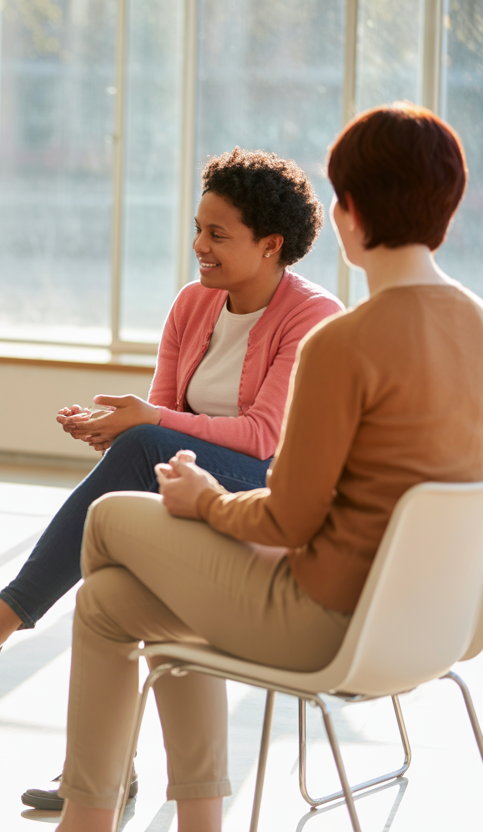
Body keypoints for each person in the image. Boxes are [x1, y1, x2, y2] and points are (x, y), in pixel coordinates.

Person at [0, 150, 342, 808]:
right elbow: (163, 414)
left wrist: (146, 425)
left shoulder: (311, 316)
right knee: (118, 566)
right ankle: (101, 771)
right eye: (197, 227)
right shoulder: (193, 304)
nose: (198, 246)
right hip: (181, 476)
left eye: (217, 234)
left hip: (262, 489)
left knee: (143, 454)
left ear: (271, 245)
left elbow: (266, 436)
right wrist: (119, 426)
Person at [56, 103, 475, 832]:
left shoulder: (343, 344)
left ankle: (90, 819)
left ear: (349, 212)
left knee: (110, 518)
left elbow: (289, 518)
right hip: (446, 629)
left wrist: (208, 500)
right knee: (109, 602)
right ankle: (178, 821)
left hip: (328, 624)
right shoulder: (476, 325)